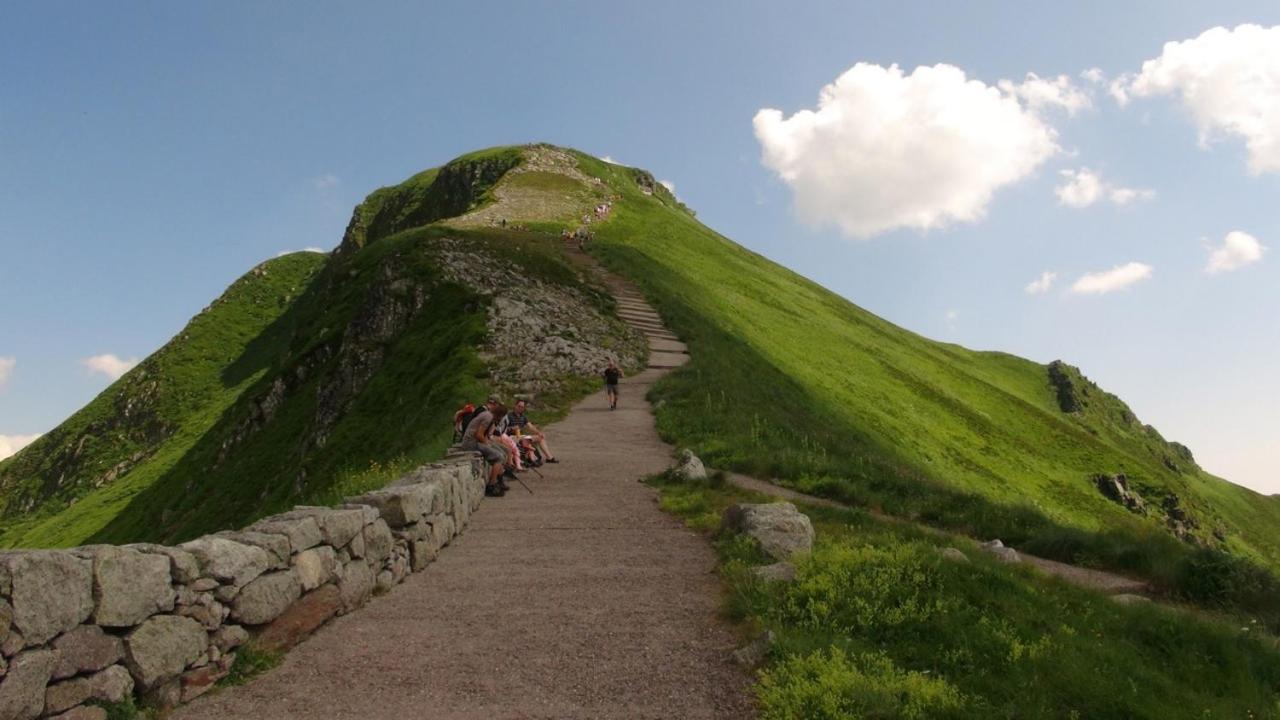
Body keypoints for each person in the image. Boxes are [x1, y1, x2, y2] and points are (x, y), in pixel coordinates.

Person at [460, 400, 509, 496]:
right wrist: (487, 444)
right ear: (499, 415)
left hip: (476, 441)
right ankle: (492, 484)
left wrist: (489, 443)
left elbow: (484, 435)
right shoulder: (488, 417)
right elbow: (478, 435)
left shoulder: (488, 415)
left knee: (503, 452)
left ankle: (499, 479)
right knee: (498, 457)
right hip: (471, 443)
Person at [507, 399, 557, 463]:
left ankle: (549, 457)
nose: (520, 408)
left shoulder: (523, 417)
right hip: (512, 436)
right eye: (519, 406)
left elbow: (530, 426)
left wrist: (539, 432)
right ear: (515, 406)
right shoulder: (509, 416)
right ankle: (531, 457)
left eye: (522, 407)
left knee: (540, 437)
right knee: (525, 438)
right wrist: (512, 428)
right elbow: (503, 428)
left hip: (521, 436)